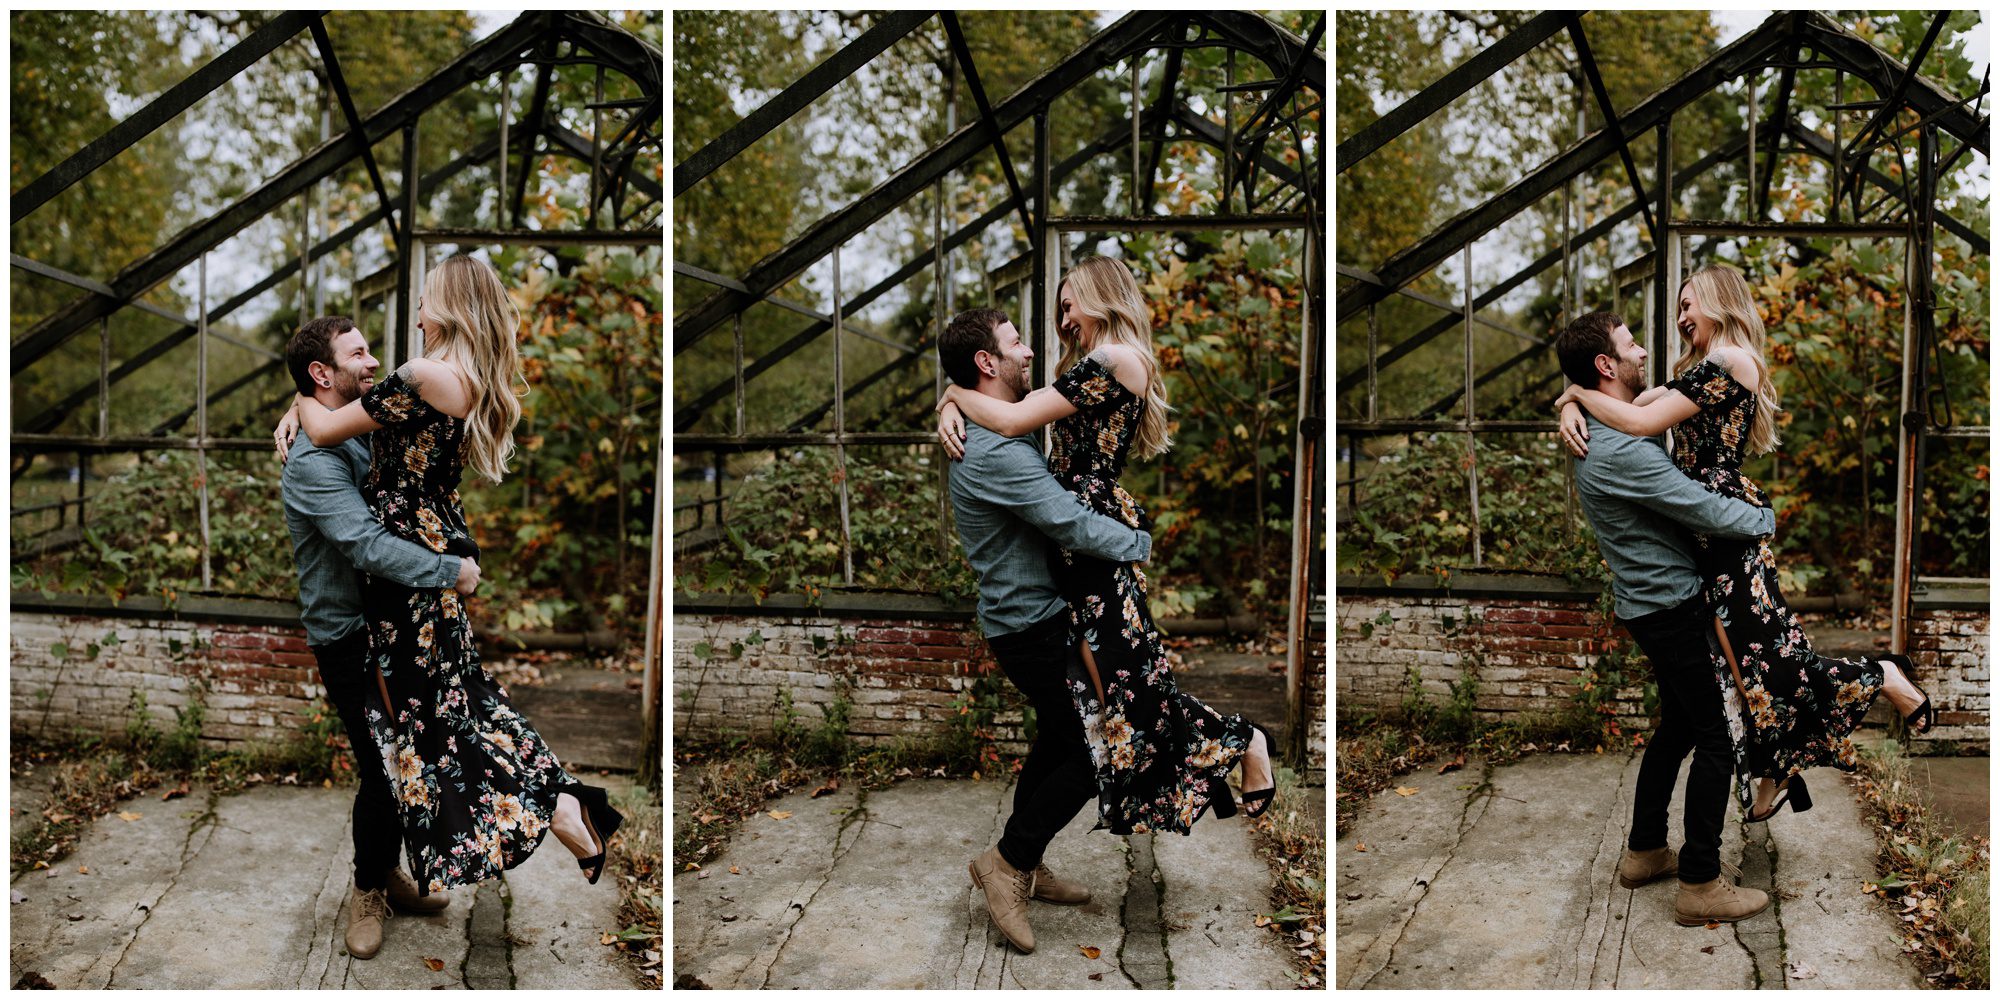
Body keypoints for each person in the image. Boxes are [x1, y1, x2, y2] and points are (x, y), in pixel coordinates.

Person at [274, 254, 622, 898]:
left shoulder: (423, 374)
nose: (419, 316)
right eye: (357, 353)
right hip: (436, 541)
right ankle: (564, 801)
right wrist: (301, 402)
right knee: (462, 701)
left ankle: (539, 813)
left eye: (427, 302)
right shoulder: (467, 377)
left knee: (431, 722)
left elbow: (327, 430)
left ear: (452, 308)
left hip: (412, 569)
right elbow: (338, 437)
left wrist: (303, 401)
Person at [1555, 266, 1934, 824]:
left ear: (1719, 304)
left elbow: (1636, 424)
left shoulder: (1734, 361)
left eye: (1689, 305)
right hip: (1703, 532)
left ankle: (1883, 675)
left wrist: (1575, 393)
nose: (1681, 318)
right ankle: (1775, 774)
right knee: (1749, 675)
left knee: (1774, 666)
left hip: (1728, 525)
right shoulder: (1697, 368)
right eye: (1679, 307)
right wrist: (1569, 400)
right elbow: (1630, 411)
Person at [936, 256, 1277, 842]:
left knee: (1132, 693)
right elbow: (1012, 412)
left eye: (1069, 304)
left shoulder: (1118, 358)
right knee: (1119, 698)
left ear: (1100, 297)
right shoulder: (1093, 362)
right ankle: (1023, 857)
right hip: (1078, 545)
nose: (1063, 320)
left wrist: (953, 394)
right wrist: (952, 395)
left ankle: (1247, 740)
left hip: (1092, 539)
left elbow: (1015, 419)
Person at [938, 306, 1160, 954]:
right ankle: (1007, 865)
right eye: (1014, 343)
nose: (1030, 351)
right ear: (987, 362)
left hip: (1037, 617)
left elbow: (1026, 421)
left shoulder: (995, 431)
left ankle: (1022, 860)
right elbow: (1067, 522)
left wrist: (949, 399)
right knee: (1095, 750)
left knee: (1059, 742)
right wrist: (1139, 540)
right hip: (1028, 627)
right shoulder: (996, 454)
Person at [1553, 310, 1779, 925]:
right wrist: (1765, 520)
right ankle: (1701, 883)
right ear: (1607, 365)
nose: (1643, 349)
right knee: (1714, 738)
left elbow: (1654, 404)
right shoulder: (1621, 453)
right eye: (1630, 345)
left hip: (1649, 603)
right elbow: (1701, 508)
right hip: (1670, 604)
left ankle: (1645, 851)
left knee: (1677, 729)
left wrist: (1569, 399)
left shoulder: (1608, 424)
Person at [280, 315, 481, 958]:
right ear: (322, 372)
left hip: (394, 622)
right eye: (359, 353)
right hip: (347, 634)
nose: (374, 363)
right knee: (382, 764)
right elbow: (366, 545)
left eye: (371, 351)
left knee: (407, 757)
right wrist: (452, 571)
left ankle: (386, 874)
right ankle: (371, 887)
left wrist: (299, 403)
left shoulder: (359, 426)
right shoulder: (313, 461)